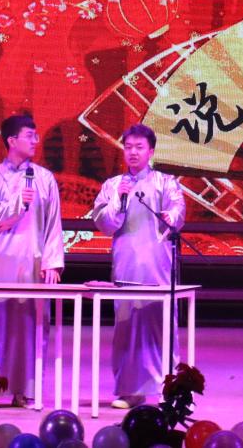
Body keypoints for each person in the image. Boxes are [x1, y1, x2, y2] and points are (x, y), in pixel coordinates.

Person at [91, 123, 186, 409]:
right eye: (128, 147)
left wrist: (171, 216)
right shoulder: (113, 185)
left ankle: (168, 390)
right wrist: (119, 200)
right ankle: (129, 391)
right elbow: (104, 223)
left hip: (157, 265)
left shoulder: (166, 182)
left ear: (151, 151)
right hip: (126, 265)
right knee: (127, 327)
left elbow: (177, 211)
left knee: (160, 326)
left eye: (139, 147)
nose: (133, 152)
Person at [0, 113, 64, 407]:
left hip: (33, 261)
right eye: (29, 136)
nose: (35, 141)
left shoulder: (44, 179)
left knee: (30, 328)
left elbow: (53, 223)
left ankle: (25, 390)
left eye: (36, 136)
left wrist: (52, 261)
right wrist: (17, 203)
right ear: (12, 141)